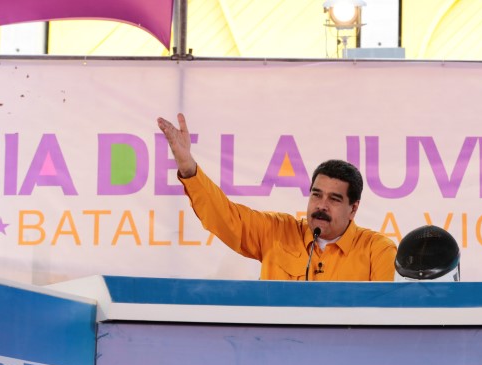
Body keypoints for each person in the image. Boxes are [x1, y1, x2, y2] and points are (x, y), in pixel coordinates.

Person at [157, 113, 397, 281]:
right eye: (316, 195)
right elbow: (225, 218)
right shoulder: (277, 232)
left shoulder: (377, 251)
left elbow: (383, 319)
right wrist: (189, 168)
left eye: (334, 199)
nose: (321, 206)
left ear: (353, 209)